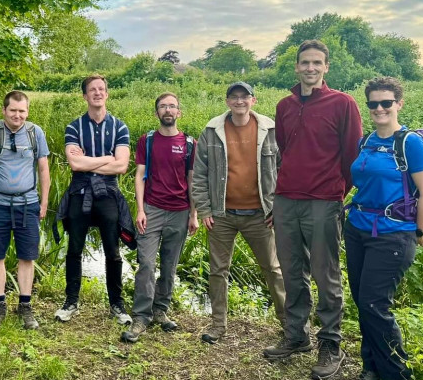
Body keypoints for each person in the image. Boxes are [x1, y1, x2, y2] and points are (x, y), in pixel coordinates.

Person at [263, 40, 363, 380]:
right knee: (292, 271)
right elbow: (286, 151)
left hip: (324, 200)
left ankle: (331, 342)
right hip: (287, 199)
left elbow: (352, 156)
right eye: (304, 62)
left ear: (326, 67)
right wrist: (281, 197)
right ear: (296, 67)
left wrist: (337, 192)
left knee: (325, 273)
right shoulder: (285, 105)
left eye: (316, 63)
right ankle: (296, 335)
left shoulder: (342, 104)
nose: (310, 68)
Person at [345, 77, 423, 380]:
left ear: (399, 104)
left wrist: (420, 232)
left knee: (374, 304)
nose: (379, 108)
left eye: (386, 102)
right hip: (358, 229)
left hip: (394, 234)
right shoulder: (365, 142)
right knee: (362, 303)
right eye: (373, 103)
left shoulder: (409, 143)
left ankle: (397, 378)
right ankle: (371, 370)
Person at [192, 82, 286, 344]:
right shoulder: (212, 131)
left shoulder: (271, 130)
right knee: (217, 270)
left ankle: (288, 323)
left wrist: (276, 207)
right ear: (227, 101)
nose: (239, 101)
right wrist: (205, 209)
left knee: (273, 268)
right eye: (234, 97)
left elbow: (284, 170)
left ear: (253, 100)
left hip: (260, 214)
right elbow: (199, 174)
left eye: (244, 97)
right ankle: (218, 325)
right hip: (221, 215)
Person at [55, 75, 133, 325]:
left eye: (101, 89)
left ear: (107, 94)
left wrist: (94, 162)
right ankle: (71, 301)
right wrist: (107, 159)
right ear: (85, 96)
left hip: (108, 194)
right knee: (74, 248)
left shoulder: (120, 127)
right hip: (80, 191)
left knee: (113, 250)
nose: (97, 93)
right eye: (92, 90)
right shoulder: (73, 127)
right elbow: (75, 163)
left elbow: (122, 166)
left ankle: (117, 304)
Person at [121, 93, 198, 343]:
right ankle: (141, 316)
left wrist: (194, 214)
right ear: (157, 113)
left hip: (180, 211)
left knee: (169, 264)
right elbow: (139, 175)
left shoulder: (189, 143)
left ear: (179, 112)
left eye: (172, 106)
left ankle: (161, 310)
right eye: (163, 106)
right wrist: (140, 210)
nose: (168, 110)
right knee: (146, 263)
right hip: (152, 210)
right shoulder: (147, 141)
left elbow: (192, 180)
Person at [0, 91, 50, 329]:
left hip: (28, 205)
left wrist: (44, 202)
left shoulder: (36, 133)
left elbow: (44, 169)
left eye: (22, 111)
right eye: (13, 110)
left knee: (27, 256)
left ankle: (25, 307)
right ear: (4, 110)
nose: (18, 115)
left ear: (27, 111)